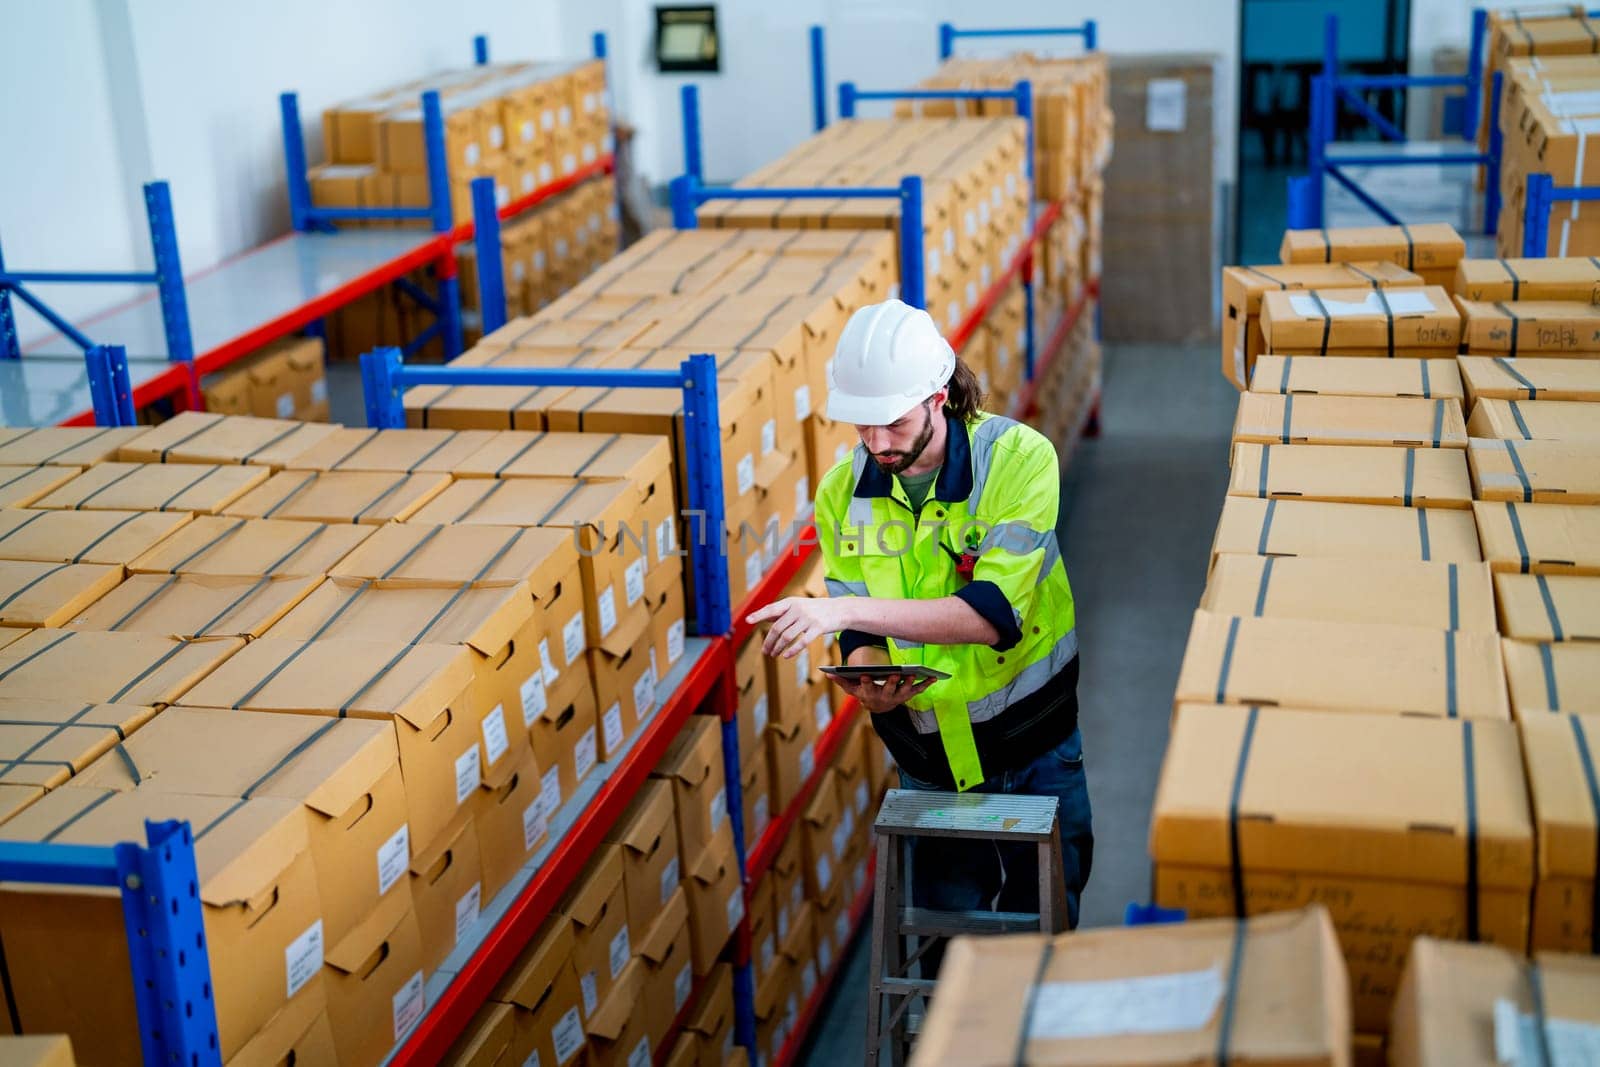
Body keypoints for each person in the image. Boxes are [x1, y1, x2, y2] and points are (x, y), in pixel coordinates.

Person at [746, 298, 1093, 948]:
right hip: (925, 758)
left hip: (1032, 750)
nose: (877, 443)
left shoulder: (1019, 461)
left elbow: (993, 615)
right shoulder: (842, 493)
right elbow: (861, 632)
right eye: (862, 426)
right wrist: (868, 676)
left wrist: (838, 610)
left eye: (893, 423)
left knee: (1047, 938)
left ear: (939, 397)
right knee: (944, 947)